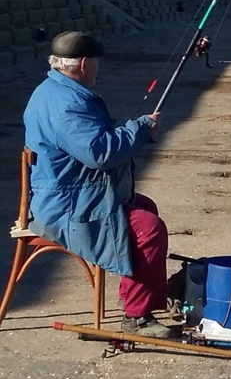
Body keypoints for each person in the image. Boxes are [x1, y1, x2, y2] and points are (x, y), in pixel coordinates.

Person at [23, 31, 175, 339]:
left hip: (70, 191)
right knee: (148, 228)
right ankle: (137, 318)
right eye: (95, 62)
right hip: (65, 205)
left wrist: (136, 132)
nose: (97, 68)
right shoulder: (67, 104)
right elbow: (99, 153)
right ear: (82, 63)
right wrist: (141, 127)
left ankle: (136, 294)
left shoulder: (53, 89)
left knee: (144, 207)